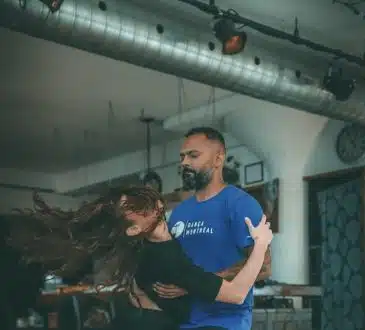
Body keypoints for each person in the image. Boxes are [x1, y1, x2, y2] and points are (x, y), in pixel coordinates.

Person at [7, 186, 272, 330]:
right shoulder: (167, 258)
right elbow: (237, 294)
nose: (139, 204)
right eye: (131, 209)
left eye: (135, 200)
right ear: (134, 229)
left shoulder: (152, 246)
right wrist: (260, 244)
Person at [153, 127, 272, 330]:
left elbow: (263, 267)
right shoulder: (180, 213)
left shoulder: (239, 204)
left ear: (218, 159)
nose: (184, 163)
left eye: (193, 156)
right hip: (182, 320)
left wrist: (194, 285)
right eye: (182, 157)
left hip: (225, 322)